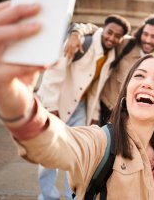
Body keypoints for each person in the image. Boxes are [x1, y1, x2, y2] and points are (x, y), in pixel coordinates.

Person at [0, 1, 154, 199]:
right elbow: (55, 143)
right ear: (125, 92)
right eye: (139, 75)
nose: (147, 83)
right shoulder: (101, 143)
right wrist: (14, 98)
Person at [36, 15, 130, 200]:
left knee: (78, 156)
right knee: (50, 155)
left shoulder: (110, 55)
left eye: (117, 36)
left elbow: (96, 89)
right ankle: (47, 196)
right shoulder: (82, 43)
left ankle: (73, 196)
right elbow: (53, 74)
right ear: (104, 28)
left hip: (81, 109)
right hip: (58, 105)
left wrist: (93, 116)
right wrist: (51, 107)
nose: (111, 38)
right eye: (109, 32)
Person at [65, 13, 154, 125]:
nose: (147, 39)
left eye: (153, 37)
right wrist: (75, 33)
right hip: (105, 108)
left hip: (130, 118)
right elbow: (100, 32)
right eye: (145, 34)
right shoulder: (127, 44)